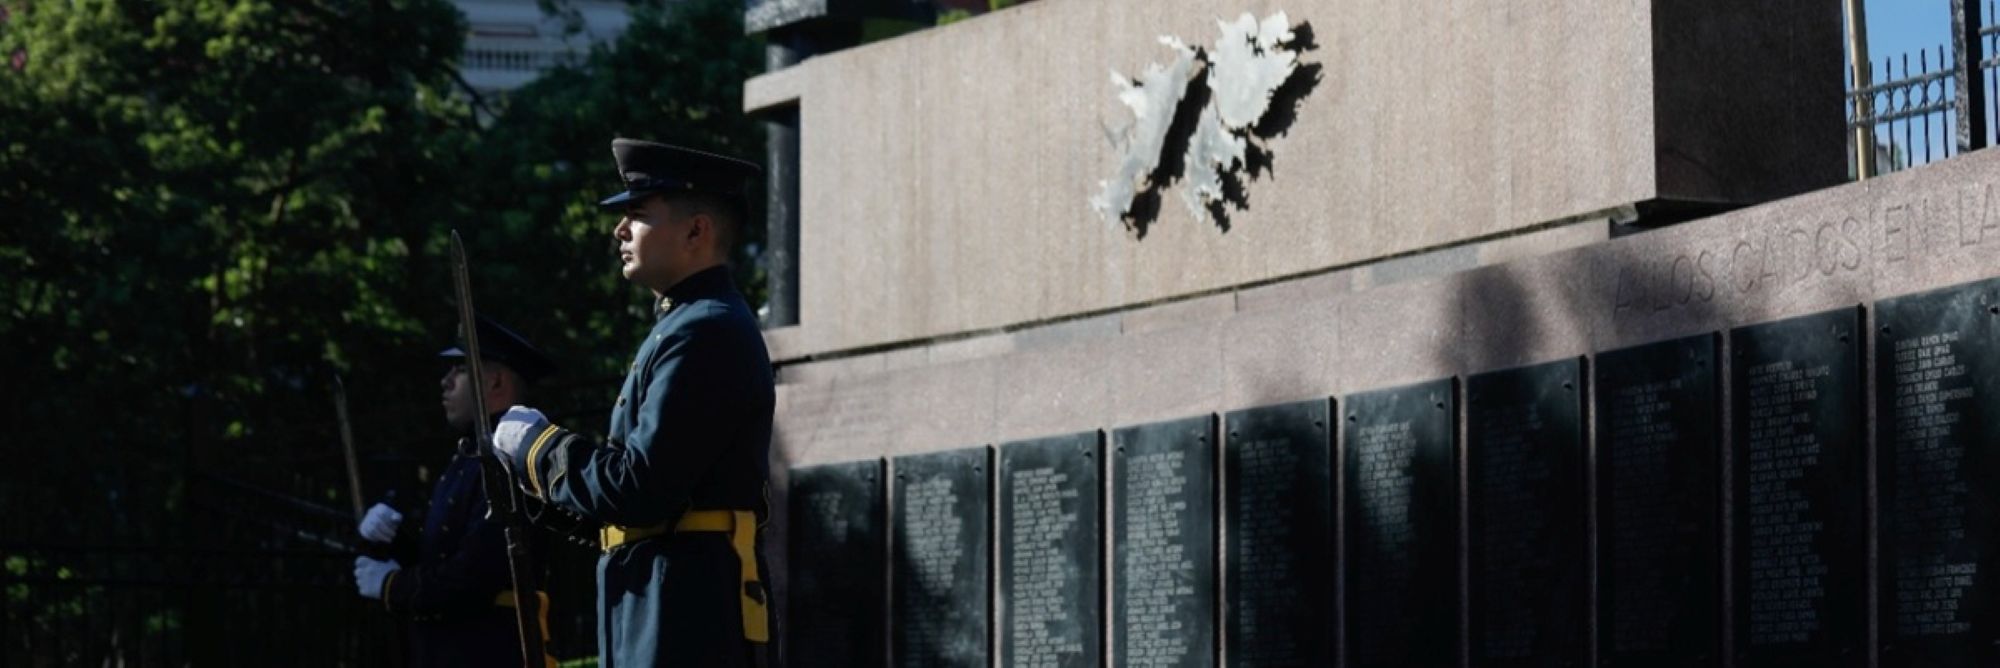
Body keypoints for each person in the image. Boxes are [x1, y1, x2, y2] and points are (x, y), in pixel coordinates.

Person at [490, 138, 775, 667]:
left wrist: (539, 448)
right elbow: (644, 504)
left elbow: (639, 487)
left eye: (638, 215)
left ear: (697, 230)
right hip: (661, 601)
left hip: (685, 612)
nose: (620, 230)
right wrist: (534, 490)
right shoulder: (683, 327)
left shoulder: (705, 330)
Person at [352, 316, 560, 667]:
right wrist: (394, 539)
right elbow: (445, 556)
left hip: (490, 651)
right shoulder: (471, 455)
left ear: (495, 380)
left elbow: (474, 575)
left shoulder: (508, 455)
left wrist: (393, 586)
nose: (445, 382)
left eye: (460, 370)